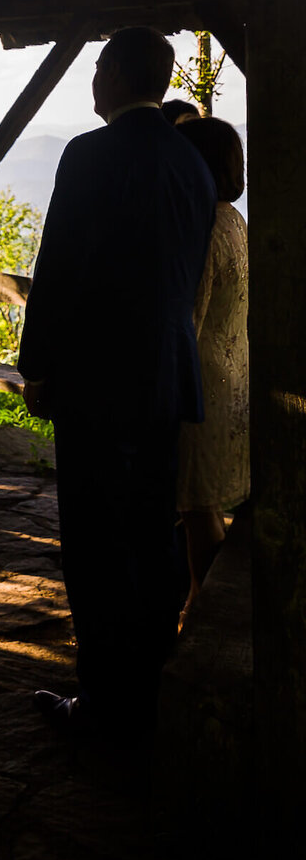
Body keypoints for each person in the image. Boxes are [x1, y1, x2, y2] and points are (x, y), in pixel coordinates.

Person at [18, 27, 216, 741]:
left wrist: (36, 363)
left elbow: (61, 268)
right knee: (151, 536)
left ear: (117, 75)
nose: (92, 80)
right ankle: (152, 691)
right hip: (164, 377)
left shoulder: (91, 155)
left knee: (96, 545)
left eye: (97, 67)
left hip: (98, 381)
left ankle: (103, 703)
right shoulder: (192, 164)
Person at [176, 116, 249, 603]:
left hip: (200, 388)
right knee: (209, 508)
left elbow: (189, 318)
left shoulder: (202, 228)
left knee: (199, 513)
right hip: (234, 382)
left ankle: (206, 620)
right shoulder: (235, 222)